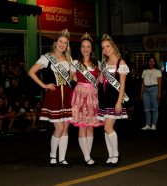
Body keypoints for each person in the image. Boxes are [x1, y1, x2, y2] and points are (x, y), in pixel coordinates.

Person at [28, 28, 73, 168]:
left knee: (66, 127)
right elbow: (31, 72)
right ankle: (53, 156)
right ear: (56, 42)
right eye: (60, 41)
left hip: (66, 95)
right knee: (59, 127)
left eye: (65, 43)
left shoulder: (69, 59)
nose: (62, 44)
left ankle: (62, 158)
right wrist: (44, 85)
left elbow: (71, 78)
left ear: (67, 46)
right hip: (54, 95)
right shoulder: (47, 57)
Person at [69, 32, 103, 167]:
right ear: (80, 48)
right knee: (82, 127)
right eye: (83, 46)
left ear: (91, 48)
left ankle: (87, 155)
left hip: (93, 97)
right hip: (80, 97)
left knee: (91, 128)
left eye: (88, 46)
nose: (85, 49)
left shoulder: (97, 63)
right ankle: (87, 157)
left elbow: (99, 81)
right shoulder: (75, 63)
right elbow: (72, 78)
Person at [97, 34, 129, 167]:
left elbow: (122, 85)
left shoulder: (120, 62)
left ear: (113, 46)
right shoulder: (104, 63)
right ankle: (110, 155)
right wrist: (100, 71)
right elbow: (99, 81)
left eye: (108, 46)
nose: (106, 49)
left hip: (114, 97)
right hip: (104, 97)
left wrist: (119, 102)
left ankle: (115, 154)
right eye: (103, 47)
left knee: (108, 127)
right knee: (106, 129)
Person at [140, 55, 162, 131]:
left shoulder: (158, 71)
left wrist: (159, 93)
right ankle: (147, 124)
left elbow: (160, 83)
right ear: (148, 62)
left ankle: (154, 124)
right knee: (146, 109)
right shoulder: (144, 71)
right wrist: (141, 93)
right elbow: (142, 83)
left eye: (153, 61)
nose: (151, 62)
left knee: (154, 108)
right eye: (150, 61)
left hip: (154, 89)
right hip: (146, 90)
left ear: (155, 62)